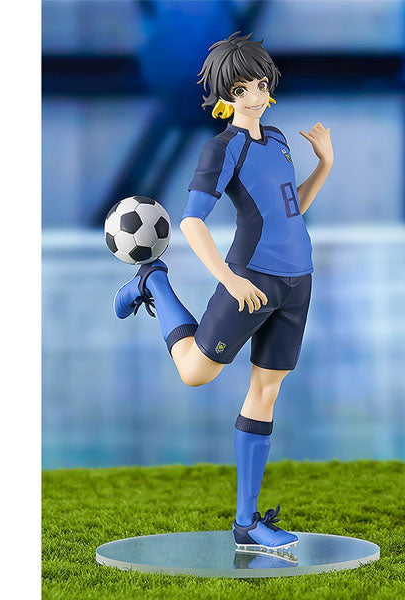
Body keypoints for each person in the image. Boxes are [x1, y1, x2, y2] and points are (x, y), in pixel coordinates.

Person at [113, 32, 334, 552]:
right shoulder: (222, 148)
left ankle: (247, 523)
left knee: (267, 390)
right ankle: (153, 280)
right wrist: (230, 280)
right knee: (196, 373)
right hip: (251, 278)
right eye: (241, 88)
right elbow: (192, 221)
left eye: (259, 83)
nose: (254, 94)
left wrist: (325, 164)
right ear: (226, 95)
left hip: (298, 281)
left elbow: (291, 208)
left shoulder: (277, 140)